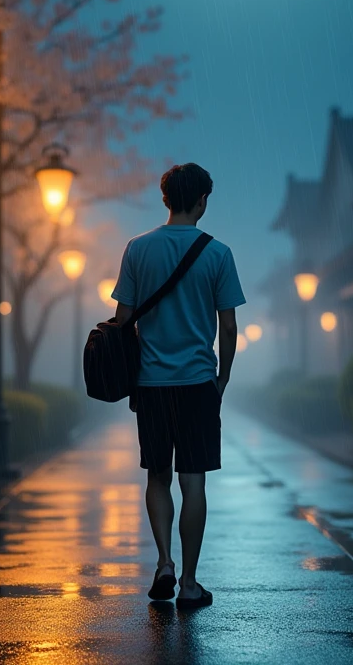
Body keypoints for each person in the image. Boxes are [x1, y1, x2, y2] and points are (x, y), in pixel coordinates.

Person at [111, 162, 245, 608]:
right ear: (203, 200)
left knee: (157, 475)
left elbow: (123, 320)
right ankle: (189, 583)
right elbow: (228, 326)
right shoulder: (218, 253)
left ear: (165, 199)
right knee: (194, 482)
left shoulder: (137, 249)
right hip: (196, 383)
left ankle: (164, 562)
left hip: (150, 383)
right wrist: (221, 377)